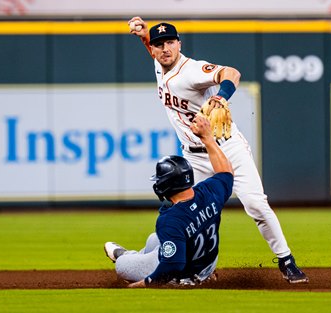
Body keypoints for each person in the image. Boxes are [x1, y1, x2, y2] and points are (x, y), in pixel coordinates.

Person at [126, 17, 309, 284]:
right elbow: (157, 54)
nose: (165, 49)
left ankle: (286, 260)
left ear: (179, 44)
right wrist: (144, 36)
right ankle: (198, 271)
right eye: (158, 45)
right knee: (189, 213)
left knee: (256, 204)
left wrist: (220, 96)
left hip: (226, 147)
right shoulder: (159, 63)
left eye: (170, 43)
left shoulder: (192, 70)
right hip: (193, 155)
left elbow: (231, 73)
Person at [104, 115, 234, 287]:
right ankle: (135, 255)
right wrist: (208, 138)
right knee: (153, 240)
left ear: (166, 185)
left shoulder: (171, 219)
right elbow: (226, 172)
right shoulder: (209, 191)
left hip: (184, 275)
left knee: (122, 266)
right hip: (208, 265)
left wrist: (143, 284)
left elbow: (173, 265)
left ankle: (126, 256)